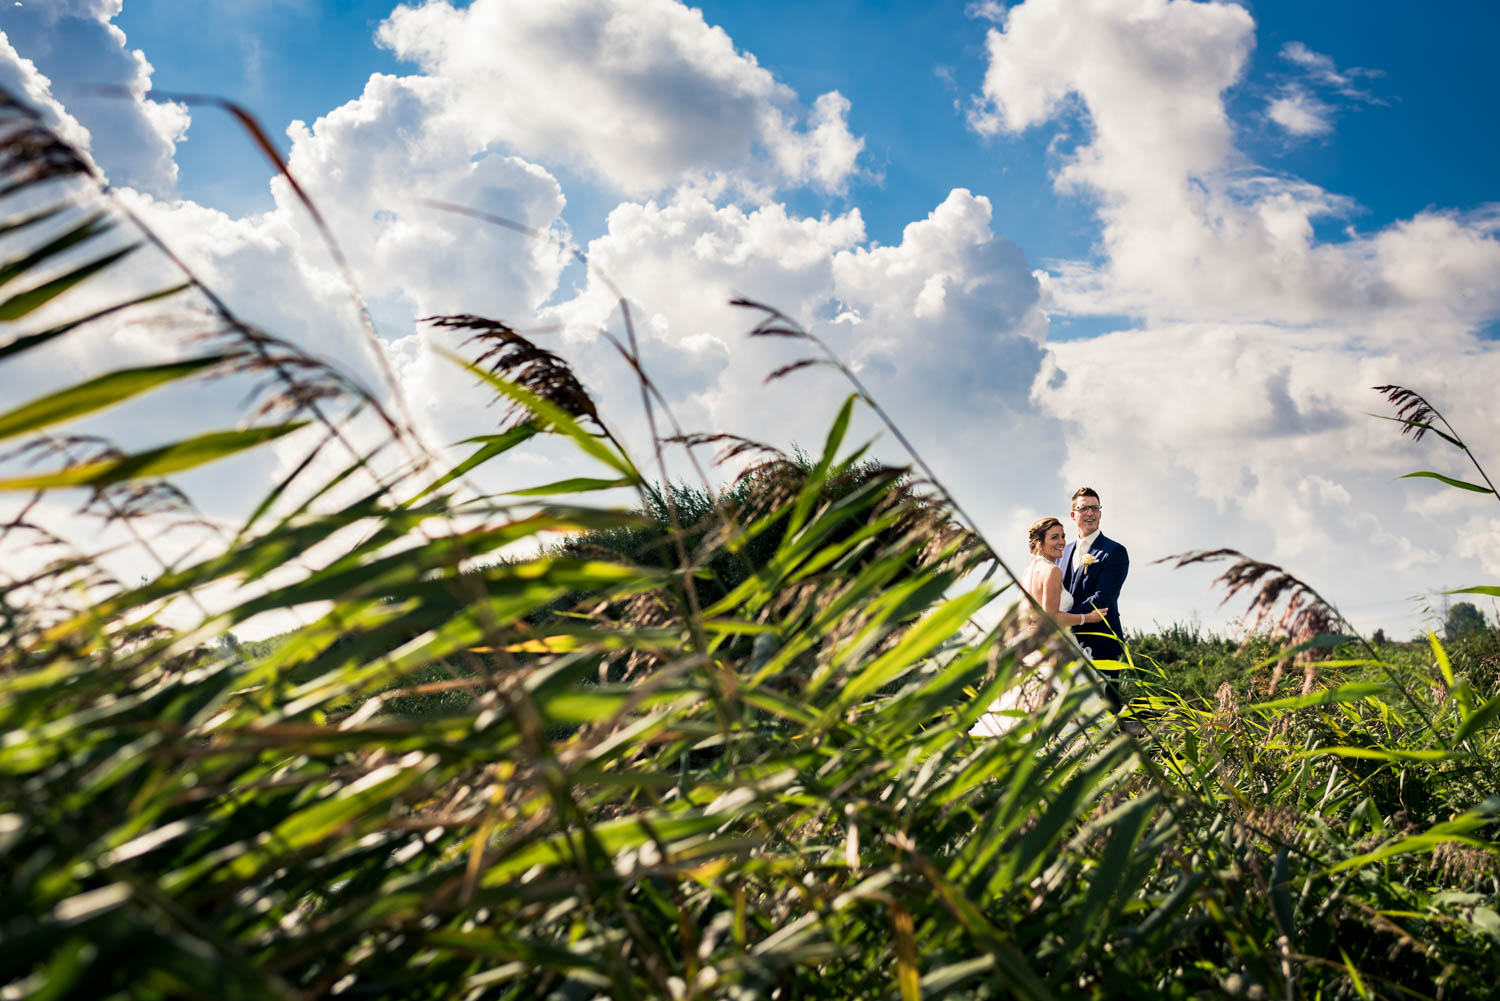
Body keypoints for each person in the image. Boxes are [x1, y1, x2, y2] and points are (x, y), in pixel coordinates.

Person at [969, 516, 1111, 737]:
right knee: (1069, 712)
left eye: (1063, 536)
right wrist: (1087, 618)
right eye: (1054, 537)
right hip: (1053, 650)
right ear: (1038, 542)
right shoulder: (1053, 572)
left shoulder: (1028, 571)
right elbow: (1051, 618)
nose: (1062, 542)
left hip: (1029, 648)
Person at [1059, 487, 1129, 711]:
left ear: (1100, 512)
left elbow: (1103, 598)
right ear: (1073, 515)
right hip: (1066, 644)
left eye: (1095, 508)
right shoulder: (1062, 551)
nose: (1090, 513)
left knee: (1106, 711)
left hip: (1100, 641)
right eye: (1084, 508)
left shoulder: (1114, 551)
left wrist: (1060, 619)